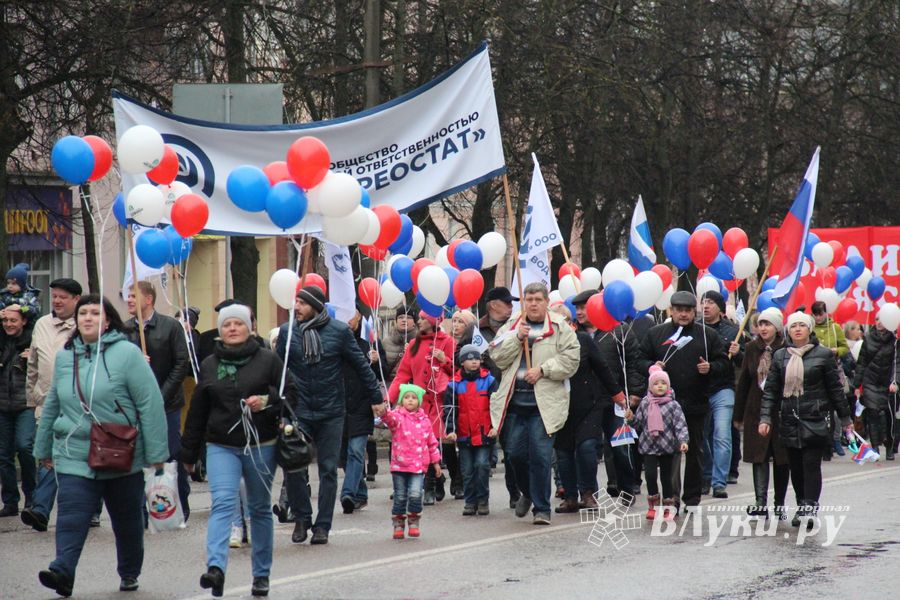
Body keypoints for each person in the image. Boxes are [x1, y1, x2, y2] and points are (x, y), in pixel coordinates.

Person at [33, 295, 168, 596]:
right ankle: (62, 571)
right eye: (83, 313)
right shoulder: (66, 357)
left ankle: (129, 571)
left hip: (121, 452)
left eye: (96, 313)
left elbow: (150, 403)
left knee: (127, 521)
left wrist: (157, 453)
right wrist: (42, 447)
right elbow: (53, 401)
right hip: (75, 452)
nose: (88, 318)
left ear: (108, 321)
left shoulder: (128, 354)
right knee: (71, 515)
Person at [179, 304, 295, 598]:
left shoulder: (268, 360)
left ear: (249, 328)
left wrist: (266, 400)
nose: (232, 328)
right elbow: (198, 412)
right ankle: (216, 569)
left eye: (238, 324)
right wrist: (189, 455)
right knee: (223, 504)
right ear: (220, 330)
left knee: (258, 508)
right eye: (226, 324)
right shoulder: (208, 364)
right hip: (221, 446)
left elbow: (289, 393)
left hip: (261, 444)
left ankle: (261, 574)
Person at [277, 285, 382, 546]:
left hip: (332, 411)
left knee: (327, 470)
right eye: (295, 303)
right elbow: (276, 371)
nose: (296, 308)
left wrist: (377, 399)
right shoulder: (288, 332)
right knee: (294, 465)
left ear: (315, 305)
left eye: (301, 303)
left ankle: (322, 525)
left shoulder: (339, 331)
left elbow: (361, 365)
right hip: (299, 410)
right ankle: (301, 516)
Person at [489, 282, 580, 525]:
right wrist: (516, 339)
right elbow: (496, 356)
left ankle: (542, 508)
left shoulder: (560, 328)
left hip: (543, 406)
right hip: (515, 404)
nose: (533, 304)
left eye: (538, 299)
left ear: (546, 302)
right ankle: (528, 493)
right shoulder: (513, 325)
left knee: (540, 456)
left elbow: (571, 360)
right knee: (514, 456)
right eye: (528, 299)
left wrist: (543, 370)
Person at [760, 311, 853, 529]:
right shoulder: (780, 356)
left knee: (811, 464)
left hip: (816, 417)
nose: (798, 329)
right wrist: (765, 418)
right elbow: (772, 391)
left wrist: (845, 417)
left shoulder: (823, 355)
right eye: (794, 326)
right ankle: (801, 503)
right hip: (789, 418)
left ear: (809, 329)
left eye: (802, 325)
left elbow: (835, 389)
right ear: (788, 330)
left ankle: (810, 508)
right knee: (796, 467)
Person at [638, 290, 729, 510]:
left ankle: (692, 497)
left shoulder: (707, 335)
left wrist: (711, 367)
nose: (684, 314)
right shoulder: (656, 334)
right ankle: (672, 497)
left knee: (695, 449)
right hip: (663, 406)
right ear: (671, 310)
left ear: (693, 311)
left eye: (688, 310)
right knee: (670, 453)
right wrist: (652, 367)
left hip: (695, 401)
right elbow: (640, 360)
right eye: (679, 310)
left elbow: (724, 363)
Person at [550, 302, 626, 513]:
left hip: (588, 403)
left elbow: (602, 367)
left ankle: (588, 493)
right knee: (564, 452)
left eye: (562, 322)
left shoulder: (583, 340)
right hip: (560, 405)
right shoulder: (546, 345)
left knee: (586, 448)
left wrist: (618, 395)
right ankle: (570, 496)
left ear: (570, 323)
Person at [570, 288, 645, 499]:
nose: (580, 312)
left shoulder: (619, 331)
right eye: (577, 308)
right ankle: (589, 492)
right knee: (587, 448)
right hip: (587, 401)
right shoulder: (574, 335)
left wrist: (634, 391)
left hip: (616, 400)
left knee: (620, 447)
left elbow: (633, 363)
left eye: (584, 306)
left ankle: (626, 488)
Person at [127, 280, 191, 520]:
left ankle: (180, 502)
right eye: (128, 296)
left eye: (134, 296)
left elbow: (180, 363)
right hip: (135, 407)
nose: (129, 300)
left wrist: (160, 397)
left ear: (149, 299)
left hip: (168, 404)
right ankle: (145, 510)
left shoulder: (170, 327)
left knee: (170, 453)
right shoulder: (125, 330)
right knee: (141, 456)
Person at [21, 278, 81, 532]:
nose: (56, 301)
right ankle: (41, 510)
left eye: (62, 297)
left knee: (75, 457)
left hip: (78, 404)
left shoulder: (85, 324)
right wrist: (32, 398)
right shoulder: (42, 324)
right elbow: (33, 363)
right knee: (49, 456)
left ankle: (87, 509)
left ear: (76, 299)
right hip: (46, 403)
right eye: (54, 296)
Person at [388, 310, 456, 505]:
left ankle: (452, 478)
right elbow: (402, 376)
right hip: (419, 405)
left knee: (444, 444)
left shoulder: (448, 342)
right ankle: (430, 485)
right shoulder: (412, 345)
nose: (418, 321)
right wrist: (388, 400)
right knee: (425, 445)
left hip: (441, 402)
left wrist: (445, 360)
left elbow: (456, 373)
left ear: (433, 320)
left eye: (423, 318)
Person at [734, 307, 790, 519]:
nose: (763, 328)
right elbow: (744, 383)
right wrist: (738, 415)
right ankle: (760, 502)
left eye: (768, 324)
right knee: (760, 456)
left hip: (781, 409)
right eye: (761, 324)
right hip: (755, 409)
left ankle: (779, 503)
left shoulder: (786, 348)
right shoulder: (751, 348)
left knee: (782, 458)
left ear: (777, 327)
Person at [374, 384, 442, 539]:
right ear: (401, 400)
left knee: (416, 493)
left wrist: (436, 461)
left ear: (419, 401)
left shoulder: (425, 421)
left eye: (413, 398)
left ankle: (413, 520)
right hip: (400, 465)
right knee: (400, 496)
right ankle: (398, 523)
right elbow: (389, 420)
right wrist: (384, 411)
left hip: (418, 466)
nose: (410, 400)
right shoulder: (398, 417)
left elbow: (431, 443)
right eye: (406, 397)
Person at [699, 290, 747, 498]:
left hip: (723, 389)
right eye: (704, 302)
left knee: (722, 435)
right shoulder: (695, 329)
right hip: (699, 389)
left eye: (710, 302)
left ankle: (719, 482)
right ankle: (705, 477)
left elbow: (744, 364)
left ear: (719, 306)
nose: (706, 306)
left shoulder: (733, 331)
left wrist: (738, 353)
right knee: (702, 438)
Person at [628, 365, 689, 520]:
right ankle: (653, 506)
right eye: (656, 383)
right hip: (648, 446)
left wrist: (683, 441)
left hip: (667, 446)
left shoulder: (673, 405)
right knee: (650, 475)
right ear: (650, 386)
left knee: (666, 477)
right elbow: (639, 425)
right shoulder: (645, 403)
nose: (660, 386)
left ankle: (668, 505)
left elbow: (680, 425)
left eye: (663, 383)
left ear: (668, 386)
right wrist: (630, 418)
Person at [340, 308, 384, 514]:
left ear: (358, 317)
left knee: (356, 451)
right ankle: (361, 493)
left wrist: (376, 361)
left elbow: (381, 373)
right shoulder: (335, 340)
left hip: (361, 405)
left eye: (353, 314)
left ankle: (347, 493)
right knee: (343, 455)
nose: (349, 319)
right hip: (339, 406)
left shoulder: (369, 341)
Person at [446, 344, 498, 515]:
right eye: (470, 359)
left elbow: (495, 406)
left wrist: (495, 426)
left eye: (477, 358)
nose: (475, 362)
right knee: (467, 471)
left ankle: (483, 500)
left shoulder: (489, 381)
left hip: (484, 433)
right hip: (464, 434)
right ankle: (470, 501)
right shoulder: (454, 384)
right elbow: (449, 409)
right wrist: (451, 429)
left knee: (482, 466)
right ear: (462, 362)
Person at [0, 305, 35, 516]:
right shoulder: (2, 342)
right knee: (4, 455)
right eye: (5, 321)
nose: (8, 325)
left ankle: (32, 497)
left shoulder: (32, 341)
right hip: (3, 406)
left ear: (23, 321)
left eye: (13, 320)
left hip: (25, 404)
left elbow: (32, 310)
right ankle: (10, 501)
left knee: (24, 447)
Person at [852, 316, 900, 460]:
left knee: (888, 416)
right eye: (877, 319)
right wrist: (857, 385)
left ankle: (889, 445)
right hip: (870, 381)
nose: (879, 322)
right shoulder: (868, 338)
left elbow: (897, 363)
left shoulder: (895, 340)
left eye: (883, 319)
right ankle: (874, 447)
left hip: (888, 383)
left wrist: (896, 381)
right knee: (873, 414)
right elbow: (861, 362)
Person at [811, 300, 849, 461]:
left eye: (821, 313)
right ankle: (822, 444)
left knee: (834, 408)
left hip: (833, 371)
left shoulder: (835, 328)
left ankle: (834, 441)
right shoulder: (810, 328)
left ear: (826, 313)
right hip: (815, 373)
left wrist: (836, 351)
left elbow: (845, 347)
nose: (819, 317)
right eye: (816, 314)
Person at [381, 305, 417, 379]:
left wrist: (412, 355)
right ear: (396, 321)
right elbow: (381, 370)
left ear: (414, 322)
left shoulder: (421, 342)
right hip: (390, 385)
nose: (404, 320)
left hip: (412, 387)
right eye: (400, 317)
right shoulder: (385, 342)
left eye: (409, 318)